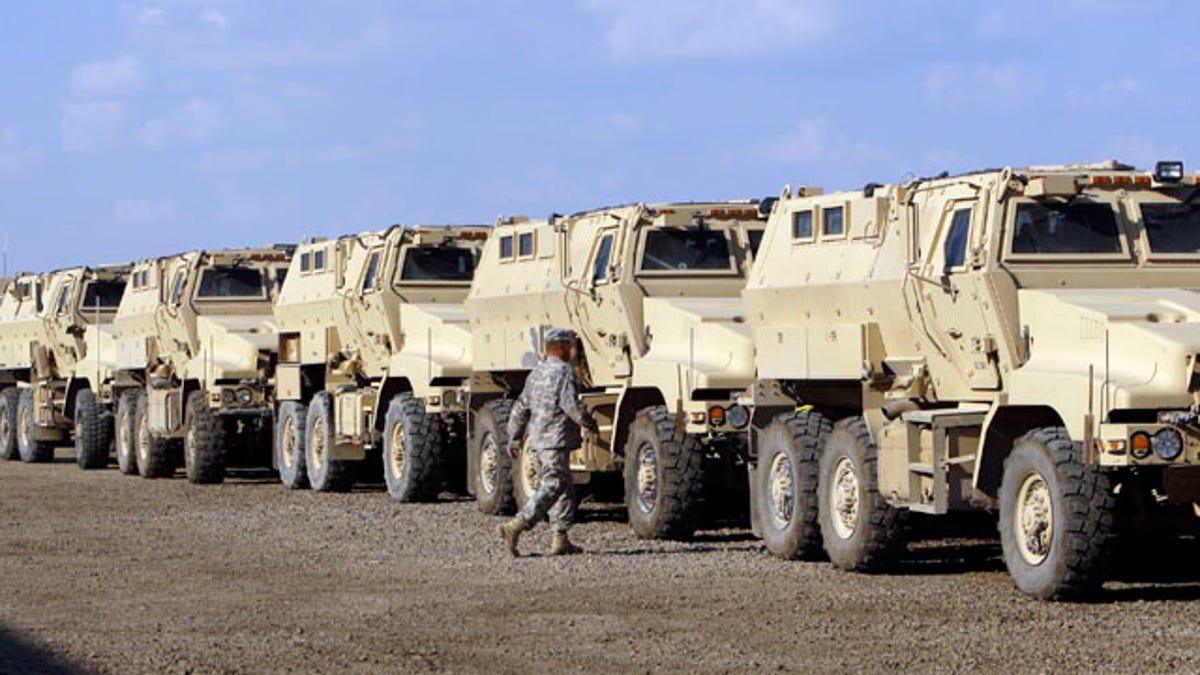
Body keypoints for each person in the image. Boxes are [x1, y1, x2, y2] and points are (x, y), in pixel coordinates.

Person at [498, 327, 599, 556]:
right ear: (562, 347)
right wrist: (589, 423)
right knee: (554, 484)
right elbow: (571, 405)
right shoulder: (564, 372)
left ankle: (560, 538)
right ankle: (517, 525)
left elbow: (521, 407)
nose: (574, 351)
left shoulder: (536, 373)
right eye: (571, 345)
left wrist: (514, 438)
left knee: (564, 487)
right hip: (556, 438)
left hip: (538, 439)